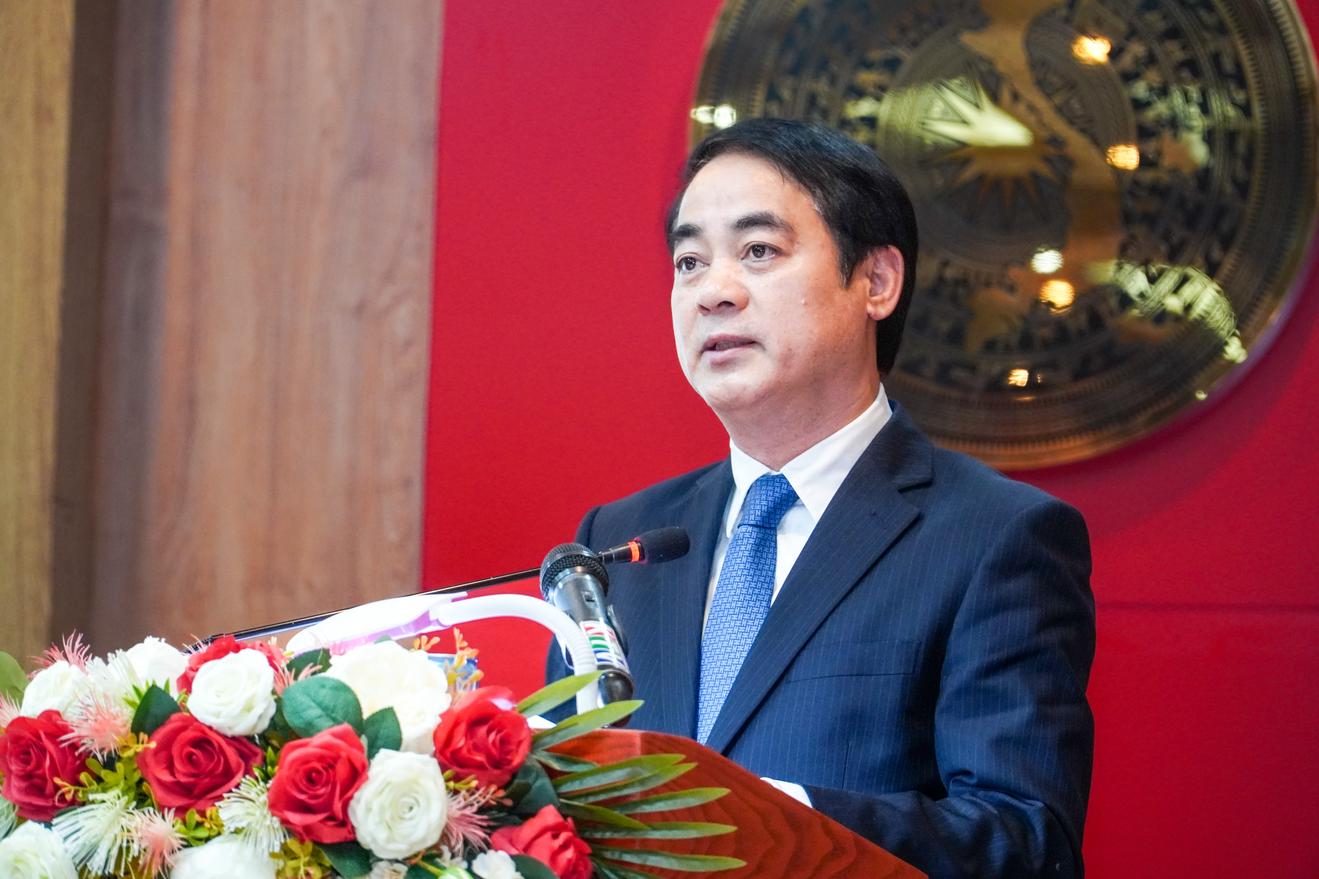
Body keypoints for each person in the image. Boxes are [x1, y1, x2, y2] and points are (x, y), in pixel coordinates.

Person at [548, 118, 1095, 878]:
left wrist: (769, 818)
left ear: (875, 282)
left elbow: (1023, 842)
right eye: (689, 262)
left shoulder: (996, 536)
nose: (713, 292)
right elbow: (549, 812)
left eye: (758, 251)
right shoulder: (620, 539)